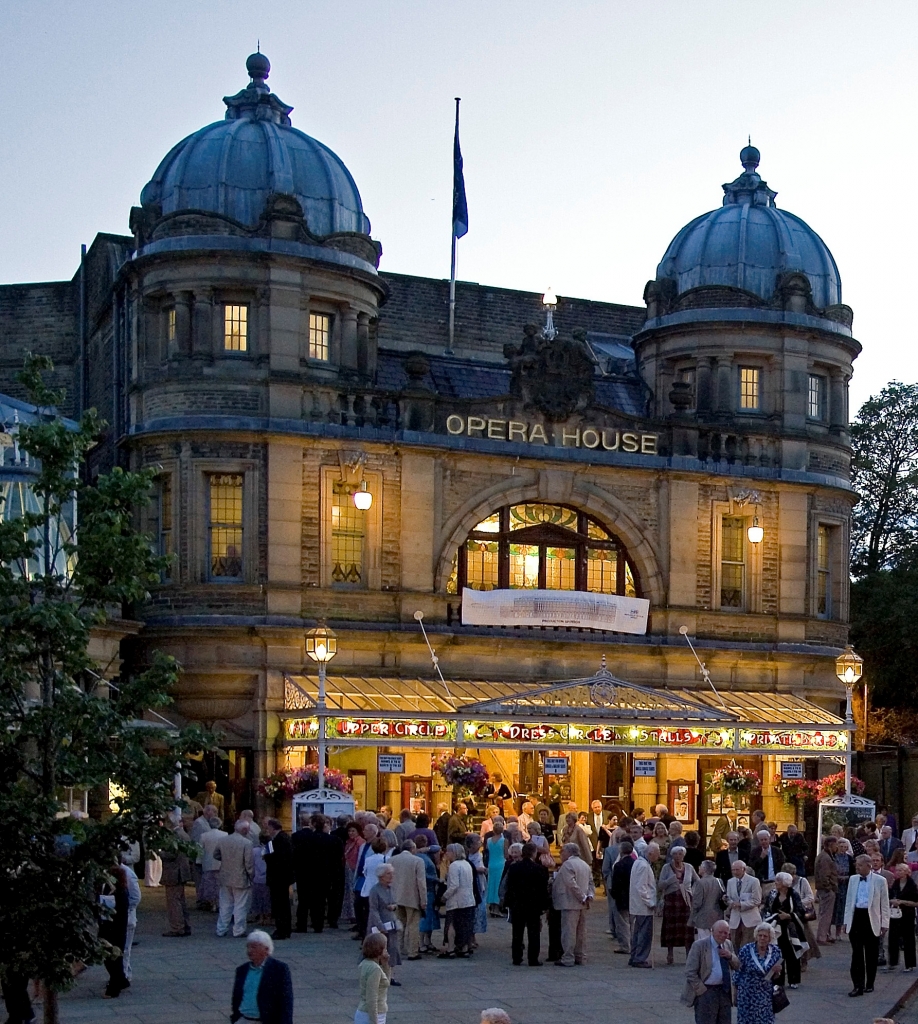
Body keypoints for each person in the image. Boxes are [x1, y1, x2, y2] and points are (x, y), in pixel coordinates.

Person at [844, 853, 891, 997]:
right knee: (856, 954)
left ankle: (869, 983)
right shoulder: (853, 879)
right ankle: (857, 985)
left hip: (871, 919)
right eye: (856, 865)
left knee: (871, 954)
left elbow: (885, 904)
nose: (857, 868)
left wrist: (885, 923)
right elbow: (849, 901)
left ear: (868, 866)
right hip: (856, 917)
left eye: (859, 866)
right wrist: (846, 922)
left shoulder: (880, 881)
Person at [682, 919, 738, 1024]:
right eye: (720, 932)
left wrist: (730, 956)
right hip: (707, 990)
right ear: (712, 931)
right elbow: (690, 971)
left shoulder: (728, 944)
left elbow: (738, 966)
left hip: (724, 991)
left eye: (725, 933)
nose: (722, 935)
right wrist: (701, 990)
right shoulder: (699, 945)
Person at [230, 930, 293, 1024]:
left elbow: (286, 1000)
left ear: (266, 949)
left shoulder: (279, 969)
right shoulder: (242, 970)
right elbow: (237, 997)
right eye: (248, 947)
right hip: (244, 1019)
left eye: (254, 947)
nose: (249, 950)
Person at [505, 840, 549, 966]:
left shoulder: (514, 868)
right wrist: (544, 905)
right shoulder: (539, 869)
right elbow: (542, 888)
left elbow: (510, 886)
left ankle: (516, 957)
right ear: (533, 854)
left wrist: (509, 902)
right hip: (533, 905)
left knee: (517, 932)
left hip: (517, 904)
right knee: (534, 932)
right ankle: (533, 958)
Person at [552, 842, 594, 967]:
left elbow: (571, 883)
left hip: (570, 902)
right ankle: (580, 956)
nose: (560, 854)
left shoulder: (567, 865)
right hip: (582, 903)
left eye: (562, 851)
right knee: (581, 932)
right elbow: (591, 882)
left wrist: (582, 897)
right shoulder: (584, 864)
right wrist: (589, 896)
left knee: (568, 932)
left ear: (569, 852)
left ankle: (568, 957)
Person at [762, 871, 806, 989]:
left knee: (792, 954)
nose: (775, 883)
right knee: (776, 954)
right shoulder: (772, 894)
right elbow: (766, 909)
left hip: (791, 929)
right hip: (775, 928)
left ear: (785, 883)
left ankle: (794, 980)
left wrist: (789, 915)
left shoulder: (794, 894)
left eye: (778, 881)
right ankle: (777, 981)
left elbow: (801, 911)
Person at [735, 922, 783, 1024]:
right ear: (756, 936)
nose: (762, 938)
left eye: (765, 936)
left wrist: (777, 971)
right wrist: (735, 991)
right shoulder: (746, 950)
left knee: (766, 1020)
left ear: (770, 938)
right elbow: (738, 970)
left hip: (765, 993)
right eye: (760, 935)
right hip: (747, 992)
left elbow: (776, 977)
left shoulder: (776, 951)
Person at [659, 844, 698, 964]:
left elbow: (697, 881)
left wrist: (693, 892)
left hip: (685, 901)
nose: (678, 856)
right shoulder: (666, 868)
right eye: (675, 854)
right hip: (671, 901)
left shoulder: (689, 867)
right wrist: (670, 880)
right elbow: (660, 885)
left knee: (687, 928)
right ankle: (670, 954)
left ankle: (688, 955)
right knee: (670, 927)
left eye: (680, 854)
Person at [215, 820, 255, 938]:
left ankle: (221, 929)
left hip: (225, 876)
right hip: (240, 878)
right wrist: (251, 876)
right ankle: (238, 930)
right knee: (240, 905)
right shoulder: (247, 843)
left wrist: (225, 860)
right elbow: (249, 864)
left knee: (225, 904)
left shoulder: (223, 840)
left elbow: (215, 854)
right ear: (245, 830)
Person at [389, 840, 426, 961]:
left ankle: (397, 949)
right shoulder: (418, 861)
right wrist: (423, 900)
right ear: (413, 849)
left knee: (399, 925)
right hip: (412, 897)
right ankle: (412, 952)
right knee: (413, 925)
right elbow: (421, 882)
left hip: (395, 897)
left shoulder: (392, 860)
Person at [99, 863, 130, 998]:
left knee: (113, 958)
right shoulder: (108, 889)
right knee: (111, 957)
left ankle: (114, 986)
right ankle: (121, 980)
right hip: (109, 926)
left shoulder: (120, 892)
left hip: (115, 928)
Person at [367, 863, 402, 986]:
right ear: (381, 876)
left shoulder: (391, 888)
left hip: (391, 922)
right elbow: (373, 909)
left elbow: (395, 902)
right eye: (388, 873)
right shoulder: (375, 890)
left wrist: (394, 906)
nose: (391, 876)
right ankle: (376, 975)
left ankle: (390, 975)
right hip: (379, 923)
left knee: (392, 948)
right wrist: (380, 926)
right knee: (378, 950)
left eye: (392, 873)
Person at [440, 843, 476, 958]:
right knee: (465, 924)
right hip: (469, 899)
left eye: (448, 852)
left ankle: (450, 948)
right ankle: (464, 947)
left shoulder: (454, 865)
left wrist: (445, 896)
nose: (446, 854)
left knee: (452, 924)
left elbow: (454, 885)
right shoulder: (467, 864)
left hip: (457, 900)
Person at [160, 815, 193, 937]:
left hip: (174, 872)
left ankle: (177, 927)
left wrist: (159, 852)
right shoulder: (184, 834)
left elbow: (170, 854)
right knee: (180, 900)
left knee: (173, 901)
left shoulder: (174, 836)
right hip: (182, 871)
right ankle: (185, 924)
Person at [629, 842, 660, 968]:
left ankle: (635, 956)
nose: (658, 857)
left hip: (639, 905)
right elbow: (641, 887)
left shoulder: (640, 863)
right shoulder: (643, 865)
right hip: (643, 906)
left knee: (638, 932)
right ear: (650, 853)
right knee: (644, 934)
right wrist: (650, 902)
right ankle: (639, 958)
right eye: (657, 854)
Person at [262, 818, 294, 940]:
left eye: (268, 827)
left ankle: (282, 929)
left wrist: (267, 856)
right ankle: (284, 928)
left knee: (280, 904)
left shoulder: (280, 840)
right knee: (282, 903)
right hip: (281, 876)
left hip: (279, 877)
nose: (267, 830)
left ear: (273, 828)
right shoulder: (281, 838)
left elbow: (277, 858)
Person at [725, 860, 762, 952]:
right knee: (734, 944)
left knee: (748, 945)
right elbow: (729, 898)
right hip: (735, 918)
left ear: (744, 869)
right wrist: (728, 901)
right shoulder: (730, 882)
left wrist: (741, 905)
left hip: (750, 918)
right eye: (733, 870)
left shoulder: (754, 881)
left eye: (737, 870)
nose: (735, 872)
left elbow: (757, 900)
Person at [887, 861, 918, 973]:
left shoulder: (912, 885)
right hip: (895, 914)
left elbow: (915, 902)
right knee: (893, 938)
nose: (898, 872)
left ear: (906, 872)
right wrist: (893, 901)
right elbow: (889, 896)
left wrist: (902, 902)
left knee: (908, 939)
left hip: (907, 914)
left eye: (900, 870)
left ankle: (910, 964)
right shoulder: (895, 883)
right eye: (897, 870)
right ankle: (893, 962)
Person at [607, 840, 635, 955]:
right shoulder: (635, 863)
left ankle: (625, 946)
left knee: (622, 924)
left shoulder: (619, 865)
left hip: (621, 897)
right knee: (632, 922)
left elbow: (616, 884)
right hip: (632, 896)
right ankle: (633, 944)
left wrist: (613, 894)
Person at [356, 932, 390, 1024]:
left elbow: (385, 982)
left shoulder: (365, 963)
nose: (387, 950)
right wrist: (374, 1021)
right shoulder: (375, 969)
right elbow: (372, 997)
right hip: (373, 1014)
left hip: (365, 1012)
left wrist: (385, 964)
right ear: (379, 949)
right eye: (385, 947)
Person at [415, 835, 441, 953]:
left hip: (430, 889)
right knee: (426, 917)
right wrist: (436, 879)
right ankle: (422, 942)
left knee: (430, 917)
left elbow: (437, 848)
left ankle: (427, 941)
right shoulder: (422, 858)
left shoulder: (423, 856)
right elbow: (422, 875)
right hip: (428, 889)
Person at [690, 860, 725, 942]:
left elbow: (697, 903)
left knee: (703, 941)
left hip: (703, 917)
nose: (699, 868)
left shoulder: (700, 882)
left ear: (704, 869)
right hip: (717, 915)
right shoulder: (719, 881)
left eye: (701, 866)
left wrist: (692, 916)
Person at [814, 835, 839, 944]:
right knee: (825, 914)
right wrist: (829, 888)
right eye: (835, 844)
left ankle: (826, 935)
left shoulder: (824, 856)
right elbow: (824, 875)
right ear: (830, 845)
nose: (837, 847)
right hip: (826, 890)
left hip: (825, 889)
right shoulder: (825, 858)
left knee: (825, 913)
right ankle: (822, 937)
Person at [832, 836, 856, 941]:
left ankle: (838, 932)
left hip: (845, 886)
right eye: (840, 846)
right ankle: (828, 932)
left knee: (842, 909)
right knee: (832, 908)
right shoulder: (833, 857)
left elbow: (853, 872)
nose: (842, 848)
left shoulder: (850, 858)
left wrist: (847, 878)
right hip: (834, 885)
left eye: (844, 847)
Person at [466, 833, 488, 941]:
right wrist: (478, 869)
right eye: (478, 842)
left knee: (479, 910)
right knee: (472, 910)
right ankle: (470, 937)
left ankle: (473, 935)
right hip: (472, 883)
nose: (480, 844)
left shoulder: (480, 854)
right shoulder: (466, 855)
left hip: (480, 882)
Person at [344, 821, 365, 924]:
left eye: (353, 831)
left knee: (353, 892)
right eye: (349, 831)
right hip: (348, 868)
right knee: (349, 892)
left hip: (355, 868)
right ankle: (351, 914)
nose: (351, 833)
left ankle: (354, 915)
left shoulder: (360, 842)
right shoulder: (349, 842)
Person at [484, 818, 507, 915]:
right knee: (498, 885)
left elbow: (487, 850)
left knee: (491, 885)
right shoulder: (504, 840)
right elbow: (506, 854)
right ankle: (497, 908)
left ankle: (492, 907)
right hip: (501, 863)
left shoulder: (489, 840)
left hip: (491, 863)